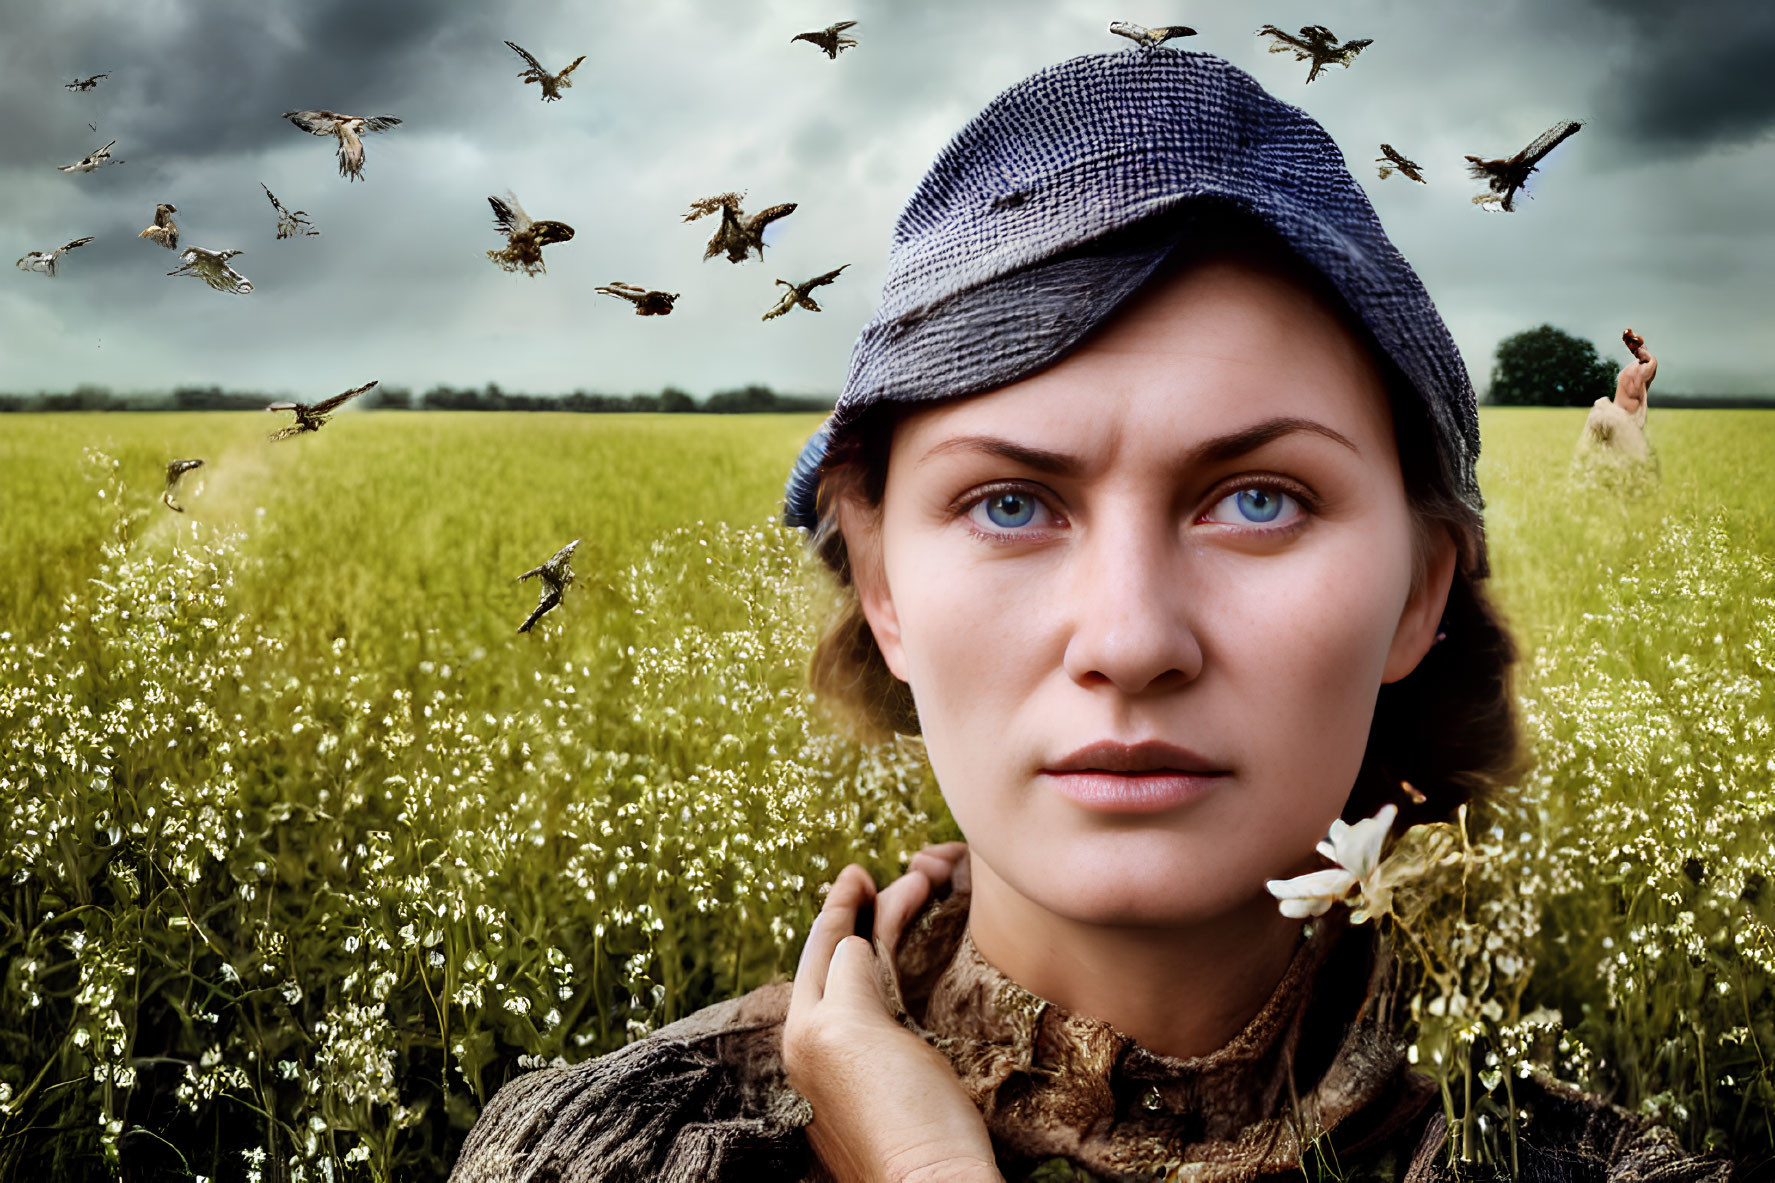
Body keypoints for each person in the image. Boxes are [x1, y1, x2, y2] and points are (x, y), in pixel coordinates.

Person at [450, 50, 1728, 1183]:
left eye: (1259, 499)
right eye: (1010, 504)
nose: (1126, 642)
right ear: (883, 582)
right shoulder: (599, 1155)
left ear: (1417, 590)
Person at [1578, 328, 1657, 462]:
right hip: (1620, 419)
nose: (1636, 354)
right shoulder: (1638, 369)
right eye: (1633, 352)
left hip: (1615, 417)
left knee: (1611, 455)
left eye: (1636, 350)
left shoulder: (1636, 369)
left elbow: (1640, 395)